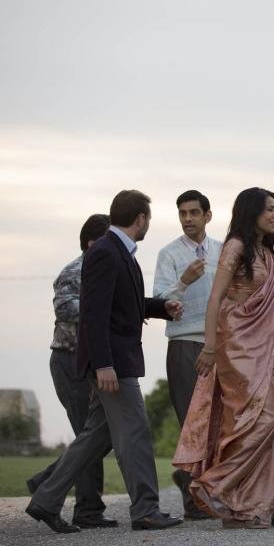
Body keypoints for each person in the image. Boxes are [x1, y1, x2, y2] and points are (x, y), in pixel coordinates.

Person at [26, 190, 183, 533]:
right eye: (148, 219)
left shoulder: (118, 253)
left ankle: (45, 500)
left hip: (115, 359)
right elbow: (94, 315)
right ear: (140, 218)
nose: (148, 224)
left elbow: (120, 303)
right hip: (114, 363)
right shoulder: (105, 252)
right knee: (136, 433)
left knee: (97, 436)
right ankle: (145, 510)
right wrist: (103, 364)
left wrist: (160, 307)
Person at [172, 187, 274, 529]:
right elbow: (215, 299)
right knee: (256, 420)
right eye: (269, 208)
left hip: (265, 347)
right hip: (236, 347)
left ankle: (244, 507)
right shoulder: (236, 246)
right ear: (251, 211)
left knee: (272, 420)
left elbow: (268, 308)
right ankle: (214, 485)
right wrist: (209, 347)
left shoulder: (266, 252)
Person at [26, 214, 113, 529]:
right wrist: (104, 308)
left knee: (101, 435)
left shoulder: (103, 273)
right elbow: (63, 309)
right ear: (92, 243)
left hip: (90, 362)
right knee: (88, 434)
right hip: (69, 361)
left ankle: (48, 481)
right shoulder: (73, 271)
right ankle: (86, 510)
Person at [153, 190, 220, 520]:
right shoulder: (169, 254)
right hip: (183, 345)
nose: (188, 219)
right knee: (189, 423)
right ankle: (195, 501)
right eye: (183, 213)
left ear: (208, 215)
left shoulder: (224, 251)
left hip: (219, 347)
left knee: (219, 423)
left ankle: (199, 484)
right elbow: (159, 302)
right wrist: (183, 281)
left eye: (194, 212)